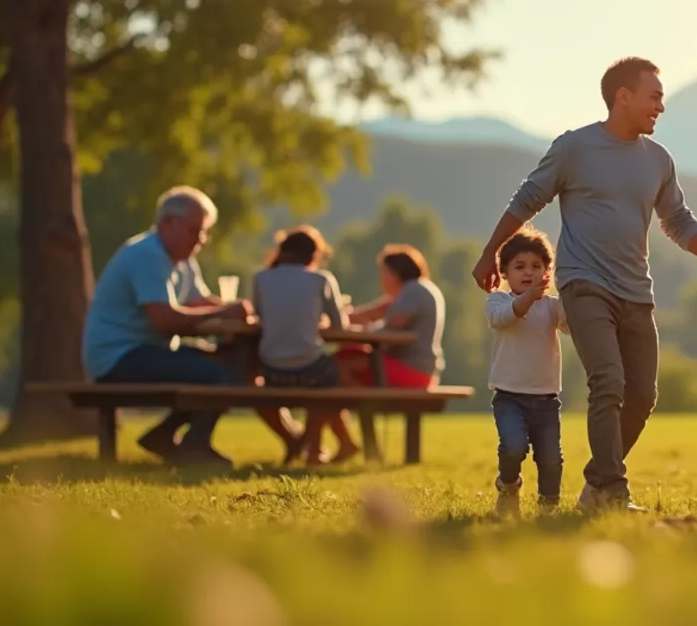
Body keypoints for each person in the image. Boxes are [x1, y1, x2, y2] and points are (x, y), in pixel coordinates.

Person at [471, 56, 697, 513]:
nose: (661, 106)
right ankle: (614, 492)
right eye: (654, 97)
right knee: (608, 381)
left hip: (636, 290)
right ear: (623, 96)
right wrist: (490, 252)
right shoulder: (574, 148)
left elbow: (678, 220)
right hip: (583, 282)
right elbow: (528, 199)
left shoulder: (658, 160)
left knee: (642, 395)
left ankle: (596, 484)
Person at [83, 186, 256, 466]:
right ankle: (194, 447)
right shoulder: (147, 255)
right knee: (216, 374)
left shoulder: (182, 261)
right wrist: (226, 311)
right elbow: (165, 320)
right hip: (119, 358)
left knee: (229, 365)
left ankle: (165, 436)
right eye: (193, 230)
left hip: (147, 352)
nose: (200, 240)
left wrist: (241, 311)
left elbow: (199, 302)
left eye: (203, 232)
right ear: (167, 223)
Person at [252, 226, 359, 465]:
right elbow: (340, 327)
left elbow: (259, 317)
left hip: (272, 371)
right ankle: (311, 448)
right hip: (311, 370)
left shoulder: (261, 279)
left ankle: (302, 443)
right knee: (331, 379)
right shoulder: (321, 279)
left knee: (252, 385)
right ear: (314, 256)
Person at [485, 228, 569, 514]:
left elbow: (573, 326)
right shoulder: (498, 301)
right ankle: (508, 485)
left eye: (536, 266)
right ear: (505, 272)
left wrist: (574, 296)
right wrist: (530, 297)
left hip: (546, 398)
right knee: (513, 447)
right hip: (509, 396)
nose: (528, 272)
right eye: (519, 266)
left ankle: (548, 507)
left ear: (547, 272)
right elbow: (506, 318)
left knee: (550, 459)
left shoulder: (553, 307)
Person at [345, 244, 446, 388]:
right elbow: (373, 312)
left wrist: (362, 329)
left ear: (396, 273)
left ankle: (362, 403)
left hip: (412, 370)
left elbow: (393, 325)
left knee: (343, 365)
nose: (382, 280)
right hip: (420, 370)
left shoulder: (413, 290)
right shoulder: (415, 290)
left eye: (384, 273)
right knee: (348, 355)